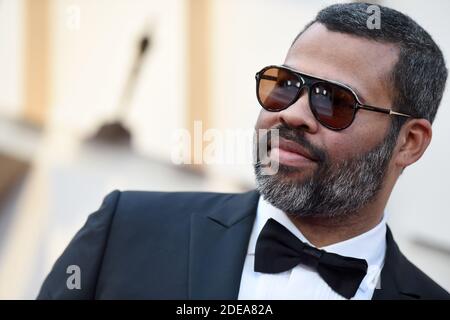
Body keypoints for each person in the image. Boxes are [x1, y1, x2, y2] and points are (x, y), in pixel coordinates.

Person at [37, 3, 449, 300]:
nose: (292, 114)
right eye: (284, 85)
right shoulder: (126, 232)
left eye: (335, 101)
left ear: (409, 142)